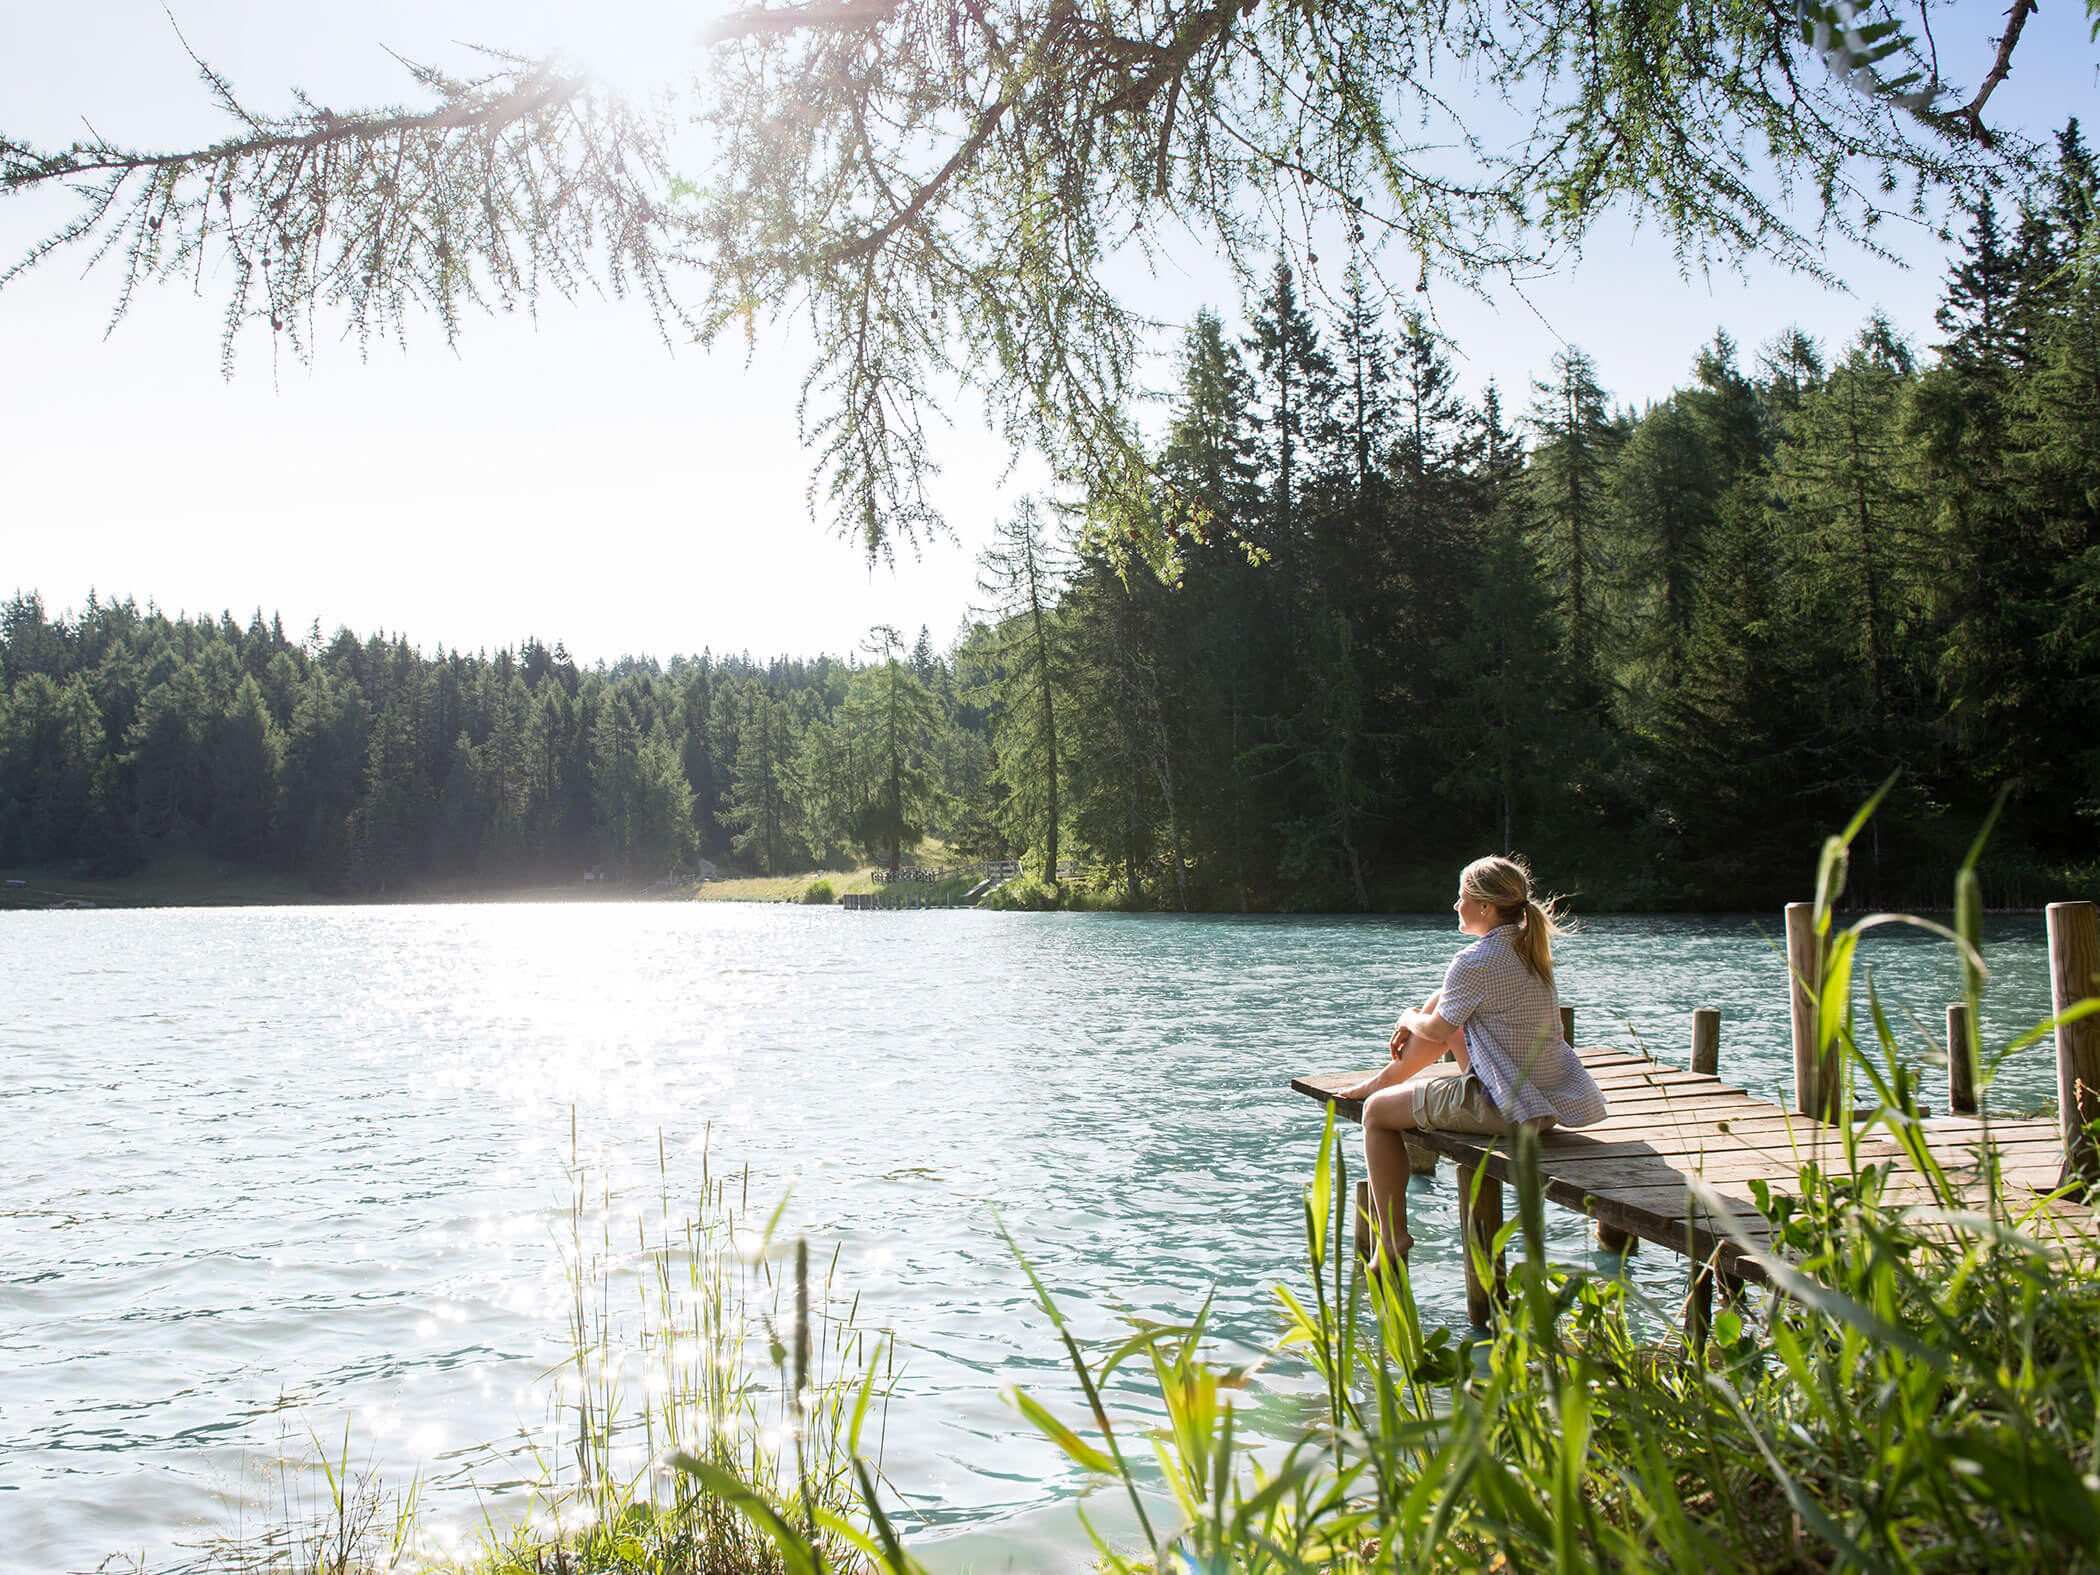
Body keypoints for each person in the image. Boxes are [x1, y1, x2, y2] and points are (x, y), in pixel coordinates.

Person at [1337, 854, 1608, 1272]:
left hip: (1506, 1110)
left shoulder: (1474, 961)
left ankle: (1392, 1239)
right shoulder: (1530, 949)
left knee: (1375, 1114)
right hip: (1546, 1104)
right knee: (1446, 1016)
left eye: (1460, 897)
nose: (1454, 905)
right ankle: (1385, 1079)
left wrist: (1407, 1017)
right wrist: (1423, 1016)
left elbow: (1432, 1028)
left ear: (1485, 907)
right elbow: (1447, 1018)